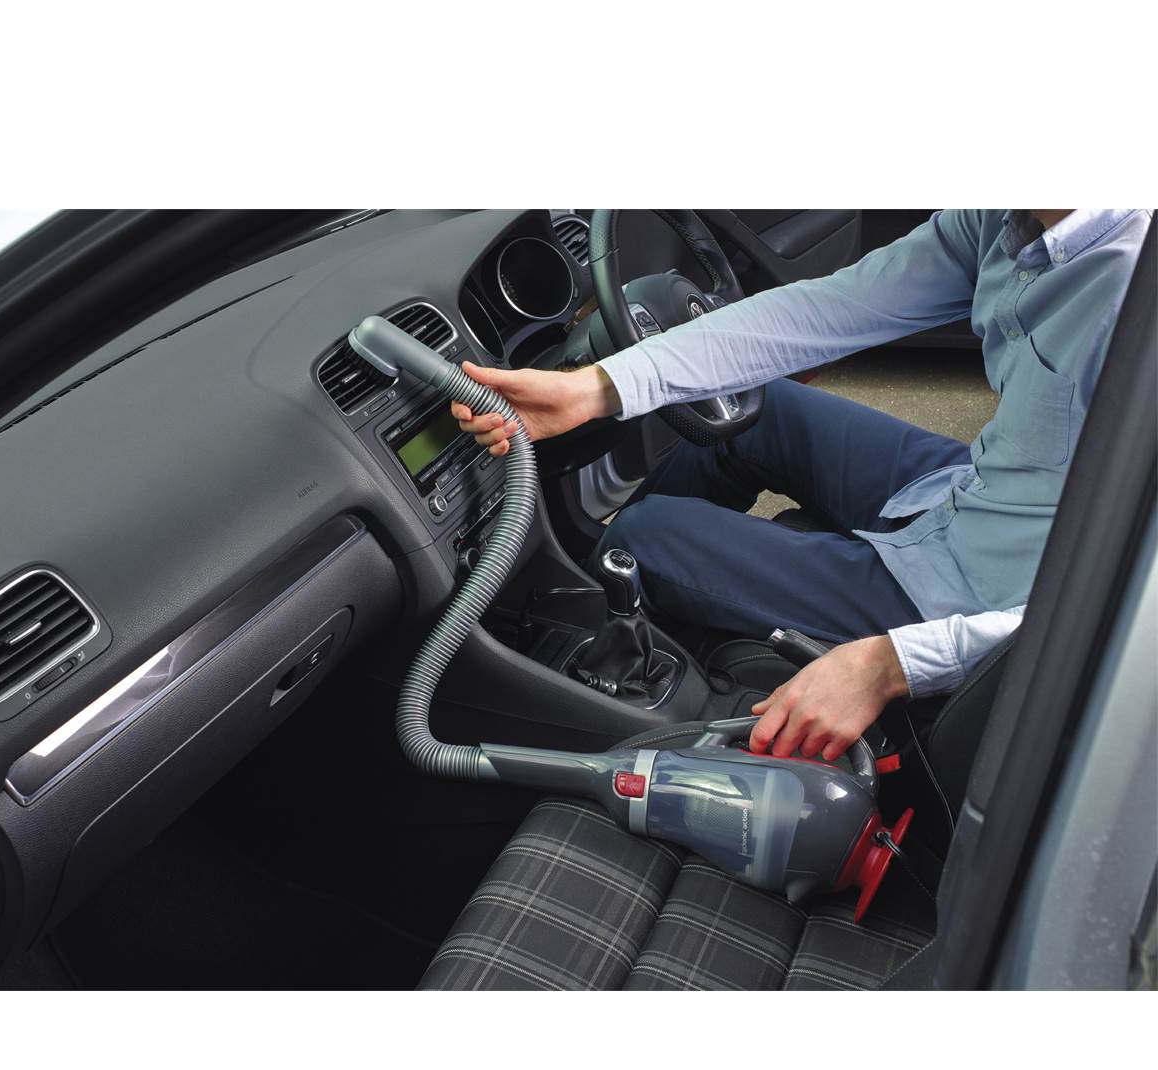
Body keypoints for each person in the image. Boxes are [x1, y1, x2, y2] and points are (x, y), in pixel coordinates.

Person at [452, 210, 1151, 760]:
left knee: (640, 537)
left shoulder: (1135, 294)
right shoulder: (1007, 217)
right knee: (764, 409)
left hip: (990, 596)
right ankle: (651, 601)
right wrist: (599, 387)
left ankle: (581, 637)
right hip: (971, 490)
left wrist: (894, 662)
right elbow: (838, 307)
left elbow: (1130, 611)